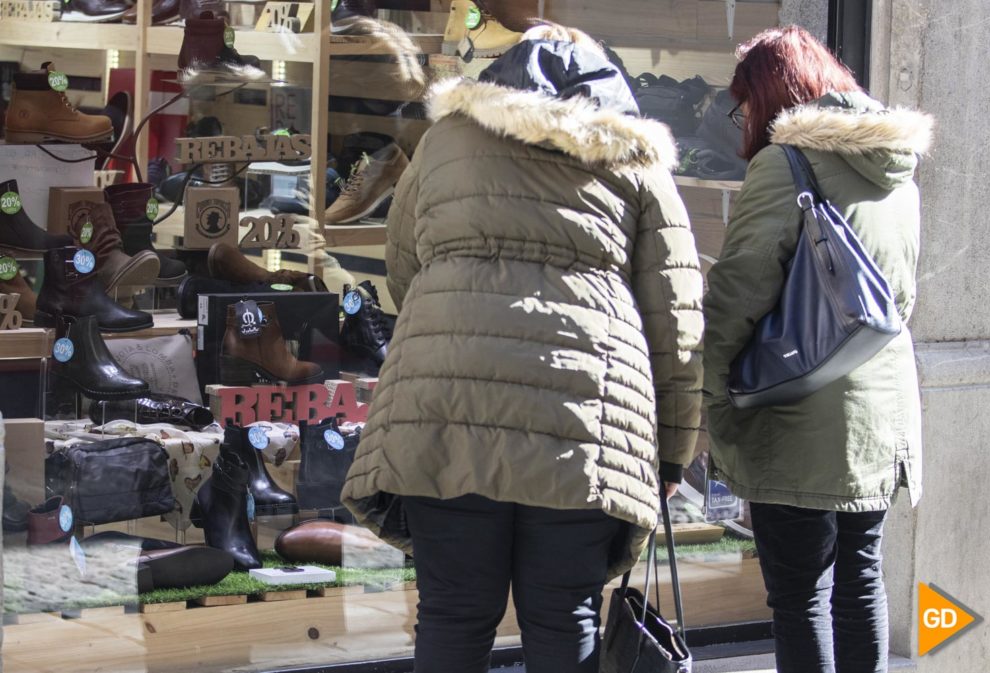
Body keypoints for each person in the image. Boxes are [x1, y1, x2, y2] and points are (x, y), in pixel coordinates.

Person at [341, 23, 704, 673]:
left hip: (446, 402)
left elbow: (402, 266)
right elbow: (675, 320)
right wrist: (673, 453)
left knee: (452, 610)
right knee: (565, 614)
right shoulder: (634, 157)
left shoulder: (447, 140)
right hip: (583, 412)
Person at [703, 26, 933, 673]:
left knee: (801, 593)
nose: (743, 117)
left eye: (744, 102)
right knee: (861, 581)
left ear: (772, 93)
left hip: (798, 412)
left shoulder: (786, 164)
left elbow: (737, 292)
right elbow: (903, 296)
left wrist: (711, 395)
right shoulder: (897, 167)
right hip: (881, 413)